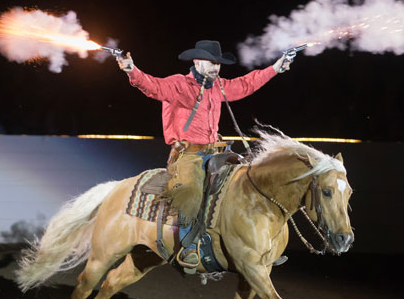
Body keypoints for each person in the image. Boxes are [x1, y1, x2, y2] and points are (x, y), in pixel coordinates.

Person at [117, 40, 293, 270]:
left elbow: (246, 84)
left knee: (248, 182)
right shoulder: (179, 84)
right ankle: (188, 246)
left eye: (218, 64)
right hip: (188, 155)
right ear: (197, 62)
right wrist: (132, 70)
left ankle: (255, 244)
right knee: (190, 191)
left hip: (217, 152)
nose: (215, 68)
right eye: (211, 63)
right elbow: (153, 87)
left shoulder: (218, 86)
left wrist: (275, 68)